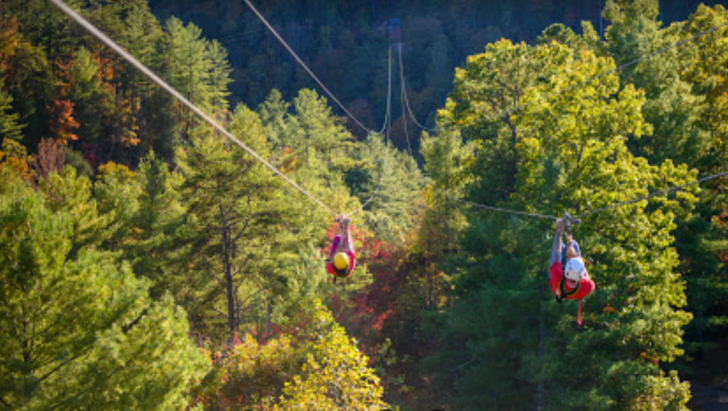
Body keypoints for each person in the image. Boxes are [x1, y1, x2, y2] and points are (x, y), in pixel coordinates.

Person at [549, 217, 595, 325]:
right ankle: (570, 243)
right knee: (573, 244)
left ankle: (567, 243)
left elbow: (556, 253)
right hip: (571, 278)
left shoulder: (557, 276)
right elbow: (585, 275)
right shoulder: (587, 285)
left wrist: (559, 230)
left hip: (558, 282)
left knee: (560, 246)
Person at [326, 215, 356, 281]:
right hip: (346, 257)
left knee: (338, 238)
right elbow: (348, 246)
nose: (341, 250)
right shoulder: (350, 262)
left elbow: (339, 247)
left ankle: (341, 224)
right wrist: (346, 228)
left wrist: (340, 228)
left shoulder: (330, 267)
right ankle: (346, 225)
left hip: (338, 260)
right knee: (348, 245)